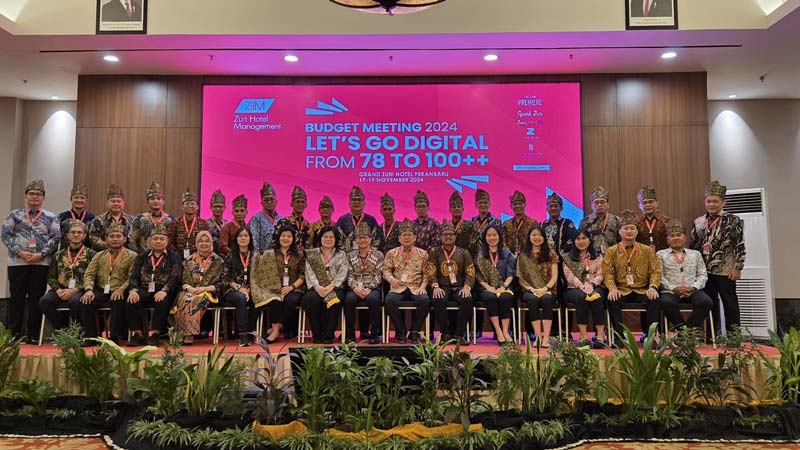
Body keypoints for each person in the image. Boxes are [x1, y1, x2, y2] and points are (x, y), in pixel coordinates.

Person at [2, 179, 60, 343]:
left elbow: (56, 238)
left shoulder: (50, 217)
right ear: (26, 196)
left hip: (40, 264)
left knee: (36, 299)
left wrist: (41, 254)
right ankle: (14, 334)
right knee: (16, 299)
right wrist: (20, 252)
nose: (35, 197)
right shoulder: (14, 214)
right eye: (32, 194)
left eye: (39, 194)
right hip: (17, 263)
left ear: (43, 198)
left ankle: (33, 335)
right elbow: (5, 235)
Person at [690, 180, 745, 332]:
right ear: (705, 202)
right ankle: (711, 335)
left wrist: (738, 267)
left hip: (725, 269)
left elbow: (740, 245)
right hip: (704, 271)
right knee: (710, 302)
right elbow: (693, 247)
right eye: (709, 201)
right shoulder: (698, 222)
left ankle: (734, 336)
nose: (711, 204)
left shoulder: (733, 220)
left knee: (730, 303)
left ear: (723, 202)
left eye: (715, 201)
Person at [603, 210, 662, 340]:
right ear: (620, 231)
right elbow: (608, 272)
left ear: (637, 231)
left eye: (632, 228)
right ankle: (618, 337)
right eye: (625, 228)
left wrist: (652, 286)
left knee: (654, 298)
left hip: (642, 289)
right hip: (621, 289)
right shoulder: (611, 251)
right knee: (612, 299)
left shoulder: (647, 250)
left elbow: (655, 270)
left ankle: (650, 336)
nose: (629, 231)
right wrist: (612, 288)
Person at [79, 223, 137, 343]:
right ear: (106, 239)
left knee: (118, 300)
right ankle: (92, 337)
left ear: (124, 239)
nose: (115, 239)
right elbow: (89, 274)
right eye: (112, 236)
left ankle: (114, 337)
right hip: (102, 289)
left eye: (118, 236)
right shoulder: (99, 255)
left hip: (121, 289)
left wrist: (121, 289)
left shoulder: (132, 256)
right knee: (86, 301)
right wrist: (89, 290)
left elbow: (133, 277)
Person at [126, 223, 182, 346]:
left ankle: (155, 334)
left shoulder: (174, 257)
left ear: (167, 241)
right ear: (150, 241)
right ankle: (138, 334)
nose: (158, 241)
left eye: (162, 239)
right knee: (131, 300)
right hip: (144, 288)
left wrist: (165, 290)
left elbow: (175, 276)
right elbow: (134, 276)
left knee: (162, 301)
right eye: (155, 239)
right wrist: (133, 290)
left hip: (164, 289)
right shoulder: (142, 256)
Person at [40, 220, 96, 335]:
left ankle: (78, 332)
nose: (76, 235)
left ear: (84, 236)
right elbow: (51, 277)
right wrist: (58, 290)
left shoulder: (92, 254)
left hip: (81, 289)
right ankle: (64, 331)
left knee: (75, 301)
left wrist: (75, 290)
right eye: (73, 232)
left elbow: (94, 276)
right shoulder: (58, 255)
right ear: (67, 235)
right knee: (44, 301)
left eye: (79, 233)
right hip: (61, 289)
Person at [251, 224, 305, 343]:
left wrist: (291, 287)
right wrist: (274, 288)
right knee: (275, 299)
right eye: (283, 236)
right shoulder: (270, 254)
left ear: (293, 239)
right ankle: (275, 331)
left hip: (294, 288)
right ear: (278, 237)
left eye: (289, 236)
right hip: (273, 288)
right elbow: (264, 274)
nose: (285, 238)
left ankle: (277, 327)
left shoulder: (299, 255)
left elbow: (302, 275)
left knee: (290, 301)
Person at [426, 220, 475, 345]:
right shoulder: (435, 252)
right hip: (442, 287)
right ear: (440, 237)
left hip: (459, 287)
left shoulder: (464, 253)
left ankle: (459, 334)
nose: (448, 237)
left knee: (467, 299)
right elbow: (431, 272)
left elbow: (470, 272)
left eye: (450, 234)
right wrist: (435, 287)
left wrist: (467, 287)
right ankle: (445, 333)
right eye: (445, 234)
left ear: (455, 236)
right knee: (438, 298)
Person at [658, 219, 713, 331]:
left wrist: (693, 287)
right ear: (667, 239)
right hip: (670, 291)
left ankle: (688, 331)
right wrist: (674, 288)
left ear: (685, 237)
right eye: (672, 236)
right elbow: (659, 276)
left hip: (692, 290)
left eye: (679, 235)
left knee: (706, 302)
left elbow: (703, 275)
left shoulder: (695, 254)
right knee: (666, 303)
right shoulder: (660, 254)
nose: (676, 238)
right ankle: (681, 330)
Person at [171, 231, 224, 345]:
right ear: (196, 243)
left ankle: (188, 334)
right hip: (190, 290)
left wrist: (203, 289)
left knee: (195, 300)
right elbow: (183, 281)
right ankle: (180, 333)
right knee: (183, 298)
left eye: (207, 241)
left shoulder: (218, 260)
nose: (204, 243)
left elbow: (222, 283)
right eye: (201, 241)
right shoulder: (190, 259)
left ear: (211, 243)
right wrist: (189, 288)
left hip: (209, 292)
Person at [383, 219, 431, 343]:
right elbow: (386, 270)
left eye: (409, 235)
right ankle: (401, 330)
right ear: (399, 238)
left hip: (416, 287)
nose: (407, 237)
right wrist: (391, 279)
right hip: (398, 287)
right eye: (404, 235)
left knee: (425, 300)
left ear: (415, 237)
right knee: (389, 300)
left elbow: (427, 273)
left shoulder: (423, 254)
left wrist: (423, 287)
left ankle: (415, 332)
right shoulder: (391, 253)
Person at [562, 228, 607, 348]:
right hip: (574, 288)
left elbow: (601, 274)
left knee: (597, 297)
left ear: (589, 240)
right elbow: (569, 276)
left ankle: (600, 337)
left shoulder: (597, 256)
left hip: (595, 285)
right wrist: (582, 286)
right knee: (582, 297)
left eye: (584, 238)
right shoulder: (567, 257)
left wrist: (591, 285)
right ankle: (583, 336)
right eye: (578, 238)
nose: (581, 241)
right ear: (573, 241)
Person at [302, 226, 348, 344]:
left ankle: (328, 335)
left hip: (335, 287)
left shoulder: (341, 254)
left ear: (336, 239)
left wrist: (332, 286)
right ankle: (317, 334)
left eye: (331, 237)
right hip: (317, 287)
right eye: (325, 236)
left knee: (335, 300)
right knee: (311, 299)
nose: (328, 239)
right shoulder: (313, 254)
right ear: (320, 238)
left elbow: (343, 272)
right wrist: (317, 287)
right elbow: (309, 271)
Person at [516, 225, 559, 348]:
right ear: (529, 237)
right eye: (534, 235)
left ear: (544, 238)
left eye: (539, 235)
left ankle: (546, 338)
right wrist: (532, 289)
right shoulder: (523, 255)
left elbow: (554, 276)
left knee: (546, 299)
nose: (537, 237)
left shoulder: (551, 254)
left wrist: (545, 288)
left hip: (548, 289)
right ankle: (537, 337)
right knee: (533, 300)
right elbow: (521, 279)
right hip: (528, 290)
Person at [475, 224, 516, 345]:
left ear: (499, 236)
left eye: (494, 235)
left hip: (505, 287)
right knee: (490, 297)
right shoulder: (480, 255)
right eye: (489, 235)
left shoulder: (507, 253)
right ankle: (498, 331)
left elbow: (511, 273)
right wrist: (489, 288)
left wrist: (503, 287)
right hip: (486, 288)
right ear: (484, 237)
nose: (492, 238)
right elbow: (478, 275)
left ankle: (505, 331)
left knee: (505, 297)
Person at [344, 222, 384, 344]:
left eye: (365, 237)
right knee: (349, 300)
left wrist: (370, 288)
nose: (362, 240)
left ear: (370, 239)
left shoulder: (378, 255)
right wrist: (355, 288)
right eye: (359, 238)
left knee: (373, 300)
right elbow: (349, 275)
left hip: (372, 287)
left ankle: (374, 332)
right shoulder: (350, 255)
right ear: (355, 240)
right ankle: (350, 332)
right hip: (355, 287)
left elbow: (379, 275)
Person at [219, 226, 256, 346]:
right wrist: (239, 288)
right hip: (231, 290)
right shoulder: (231, 255)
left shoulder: (256, 255)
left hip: (251, 288)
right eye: (240, 236)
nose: (243, 238)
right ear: (236, 239)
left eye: (246, 236)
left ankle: (251, 332)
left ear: (250, 238)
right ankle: (243, 335)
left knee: (257, 299)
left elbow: (259, 276)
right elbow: (225, 278)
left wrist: (250, 289)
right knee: (241, 298)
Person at [130, 182, 173, 254]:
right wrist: (139, 256)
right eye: (152, 199)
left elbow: (173, 242)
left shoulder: (170, 219)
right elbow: (131, 240)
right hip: (144, 259)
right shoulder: (140, 219)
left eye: (159, 199)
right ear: (148, 201)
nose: (156, 201)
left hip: (165, 259)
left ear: (163, 201)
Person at [167, 190, 210, 260]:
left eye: (192, 204)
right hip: (177, 258)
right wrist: (176, 255)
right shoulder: (174, 223)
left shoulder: (203, 223)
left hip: (198, 258)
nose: (190, 206)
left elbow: (208, 242)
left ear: (197, 207)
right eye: (187, 204)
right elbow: (169, 243)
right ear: (182, 206)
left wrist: (198, 254)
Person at [89, 184, 134, 252]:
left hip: (127, 256)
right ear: (107, 203)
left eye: (118, 201)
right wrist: (113, 246)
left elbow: (134, 240)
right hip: (103, 256)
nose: (116, 204)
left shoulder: (132, 220)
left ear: (123, 203)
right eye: (113, 201)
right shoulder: (98, 220)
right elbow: (94, 239)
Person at [336, 186, 379, 253]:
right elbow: (337, 241)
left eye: (359, 199)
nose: (356, 202)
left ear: (364, 203)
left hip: (368, 258)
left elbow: (376, 241)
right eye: (354, 199)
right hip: (346, 258)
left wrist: (369, 255)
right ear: (349, 203)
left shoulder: (371, 220)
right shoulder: (342, 220)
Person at [579, 186, 620, 255]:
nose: (599, 205)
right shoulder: (584, 222)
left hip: (613, 257)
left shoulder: (617, 220)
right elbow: (580, 242)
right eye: (596, 202)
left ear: (608, 204)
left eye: (602, 202)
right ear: (591, 205)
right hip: (592, 259)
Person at [57, 184, 94, 249]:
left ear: (86, 200)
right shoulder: (61, 217)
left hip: (87, 254)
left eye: (82, 198)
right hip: (65, 254)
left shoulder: (92, 217)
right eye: (76, 197)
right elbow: (56, 238)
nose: (79, 200)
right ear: (71, 199)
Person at [635, 186, 671, 253]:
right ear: (639, 205)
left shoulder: (666, 221)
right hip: (641, 258)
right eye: (644, 203)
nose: (648, 205)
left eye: (650, 202)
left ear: (657, 203)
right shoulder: (635, 222)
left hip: (662, 258)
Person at [249, 182, 282, 253]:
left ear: (276, 201)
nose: (269, 202)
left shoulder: (282, 219)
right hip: (263, 258)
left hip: (280, 257)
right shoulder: (256, 219)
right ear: (261, 203)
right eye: (266, 200)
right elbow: (254, 242)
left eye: (271, 199)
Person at [276, 186, 310, 253]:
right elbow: (276, 242)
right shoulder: (284, 222)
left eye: (302, 202)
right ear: (291, 204)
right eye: (297, 202)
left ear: (306, 205)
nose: (300, 204)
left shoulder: (307, 225)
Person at [503, 190, 538, 256]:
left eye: (520, 203)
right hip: (510, 259)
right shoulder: (506, 224)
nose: (518, 206)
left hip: (528, 258)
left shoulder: (533, 222)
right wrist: (509, 256)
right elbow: (503, 243)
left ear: (525, 205)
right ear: (511, 206)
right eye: (515, 204)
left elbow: (536, 242)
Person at [449, 191, 479, 258]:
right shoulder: (445, 226)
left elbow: (474, 245)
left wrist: (461, 255)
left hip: (466, 259)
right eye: (454, 207)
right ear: (449, 210)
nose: (456, 208)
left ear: (463, 209)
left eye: (459, 207)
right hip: (448, 258)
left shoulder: (470, 225)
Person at [207, 189, 229, 255]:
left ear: (224, 207)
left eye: (220, 206)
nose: (218, 209)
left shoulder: (229, 225)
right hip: (210, 257)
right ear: (210, 207)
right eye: (215, 206)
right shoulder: (205, 224)